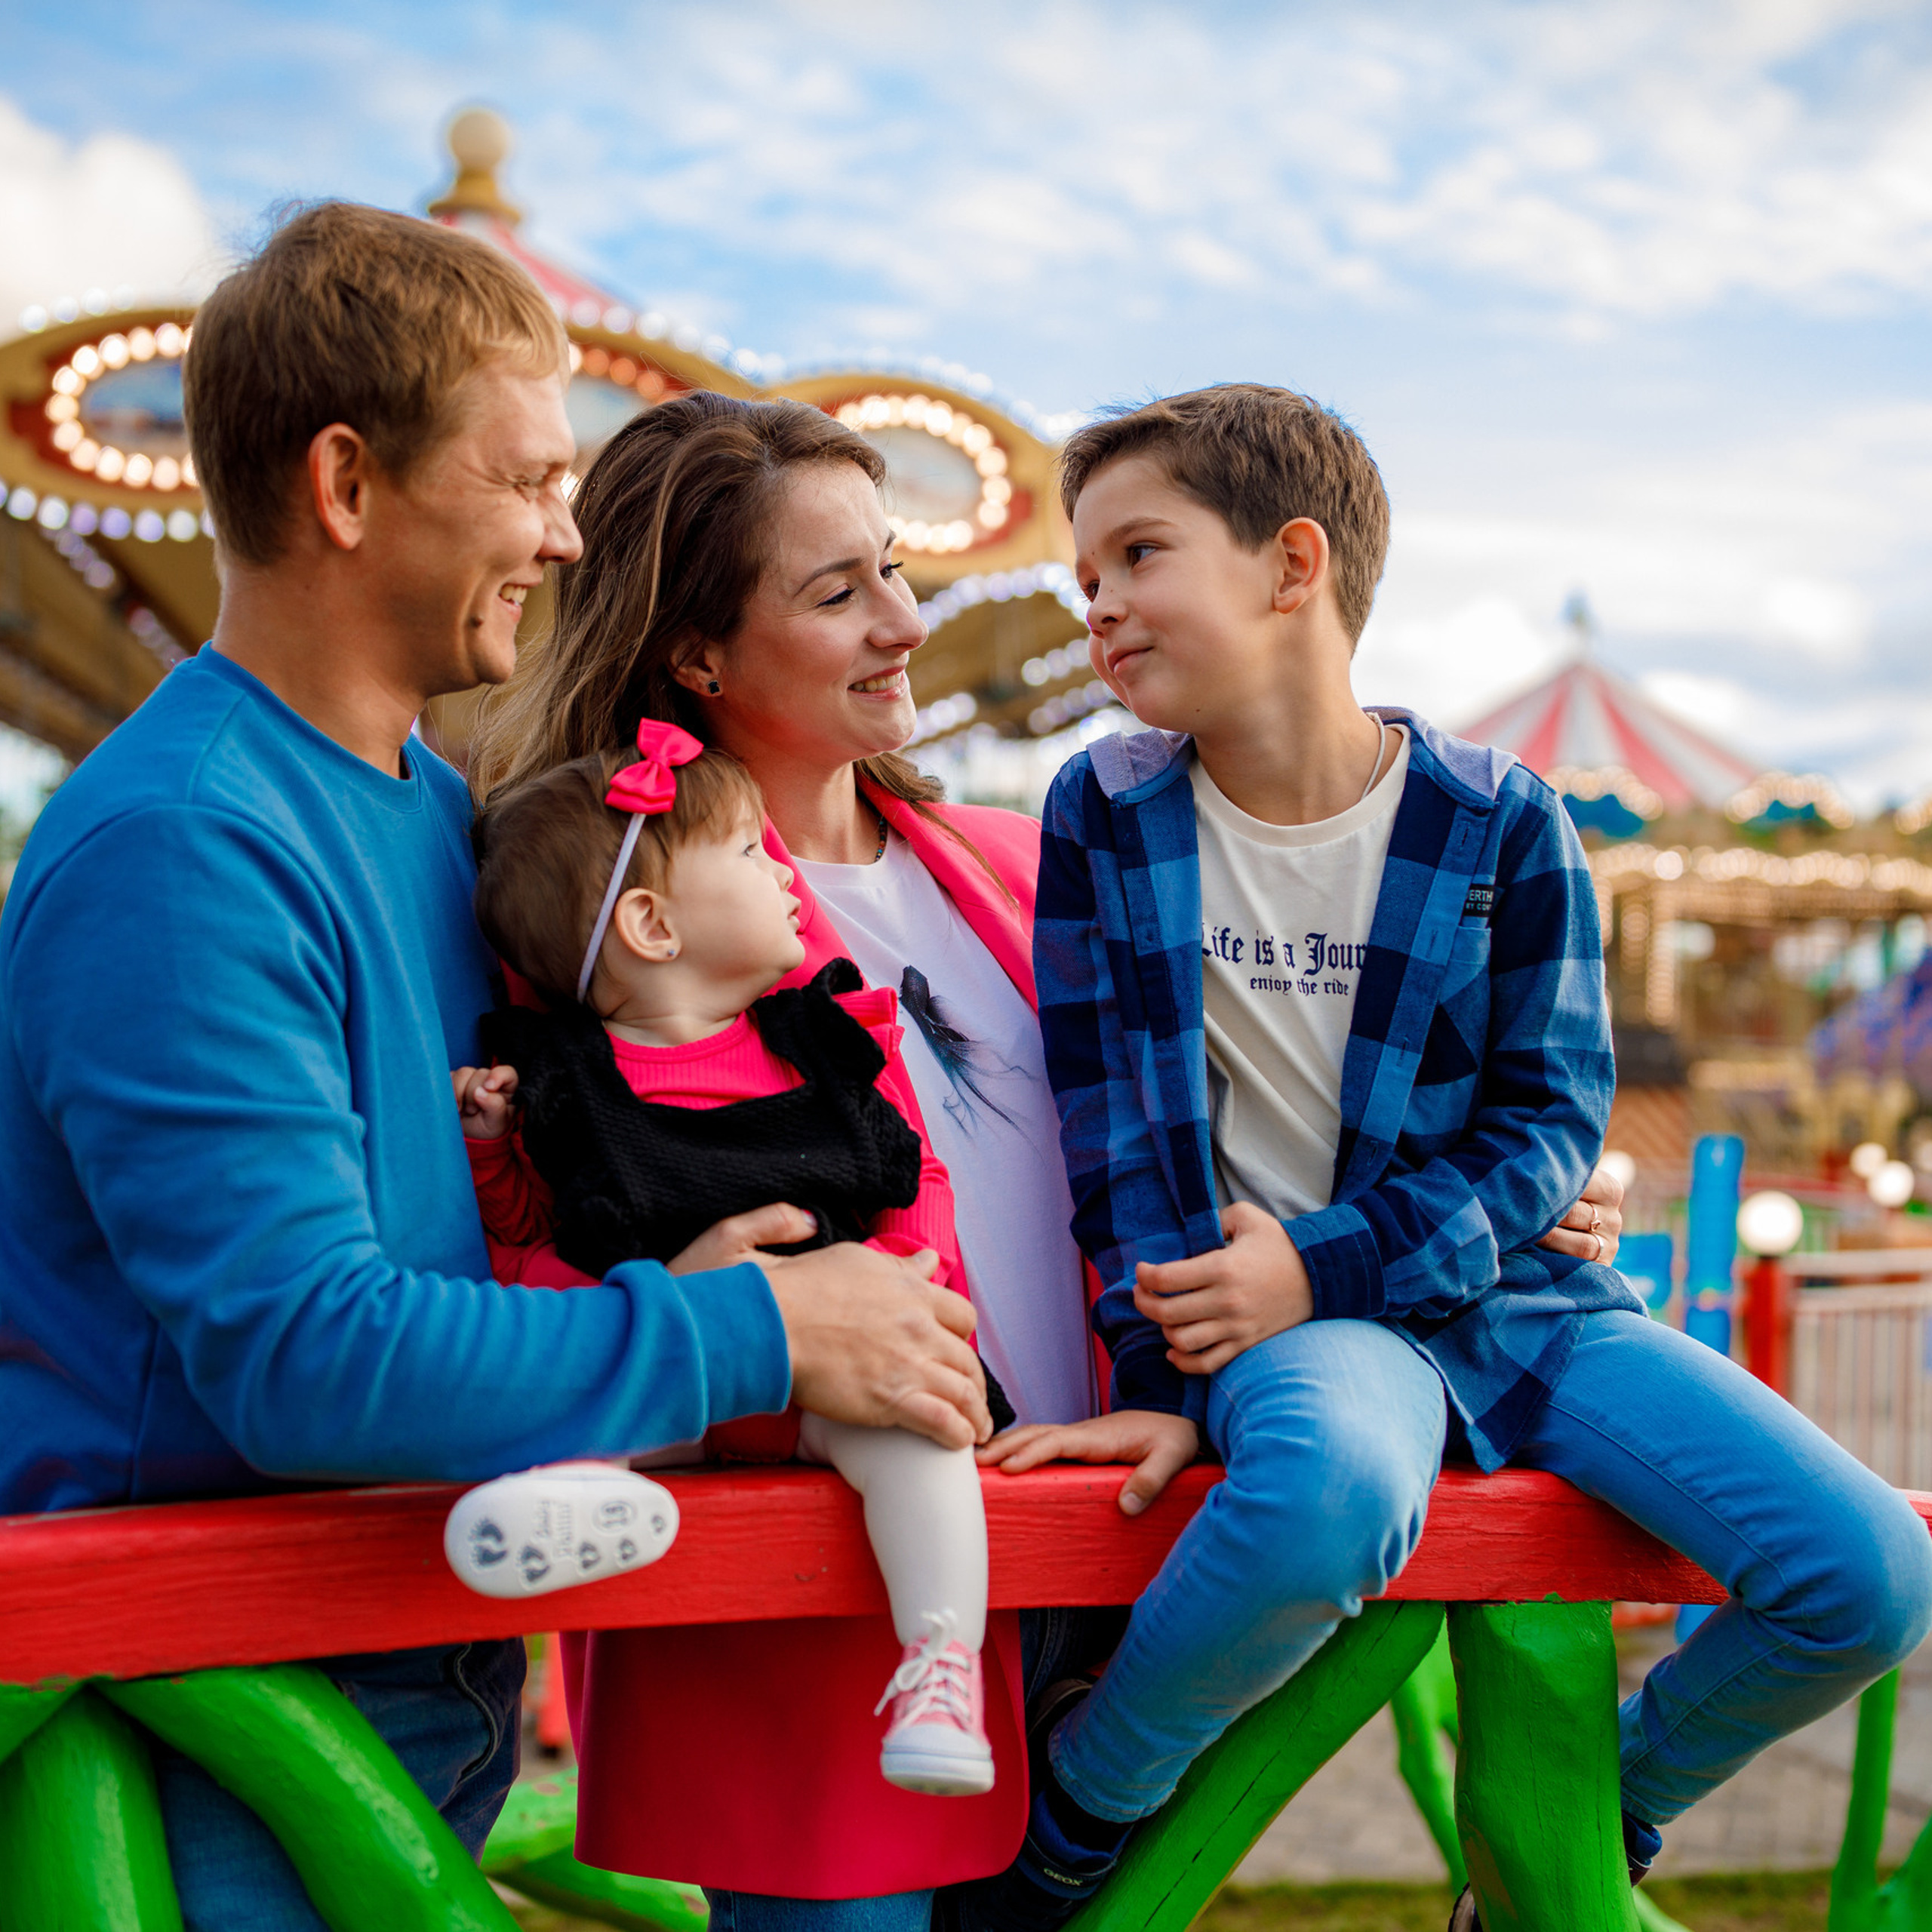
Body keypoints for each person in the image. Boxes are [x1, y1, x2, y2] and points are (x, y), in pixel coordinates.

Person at [466, 386, 1627, 1930]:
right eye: (838, 591)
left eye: (893, 568)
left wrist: (1531, 1188)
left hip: (1094, 1563)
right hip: (825, 1610)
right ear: (697, 654)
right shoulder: (606, 921)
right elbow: (525, 1234)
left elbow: (1300, 1109)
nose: (903, 620)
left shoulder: (1035, 864)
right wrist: (694, 1309)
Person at [0, 204, 987, 1932]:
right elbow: (302, 1351)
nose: (562, 533)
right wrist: (756, 1328)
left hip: (383, 1682)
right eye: (528, 479)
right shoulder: (184, 847)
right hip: (205, 1720)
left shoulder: (425, 811)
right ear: (345, 484)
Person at [963, 383, 1932, 1932]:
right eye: (1086, 576)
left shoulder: (1501, 822)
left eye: (1137, 555)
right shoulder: (1108, 810)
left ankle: (1608, 1805)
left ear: (1292, 566)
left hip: (1517, 1309)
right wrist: (1164, 1370)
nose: (1100, 606)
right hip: (1300, 1338)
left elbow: (1548, 1125)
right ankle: (1086, 1796)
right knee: (1330, 1492)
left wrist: (1323, 1258)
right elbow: (1111, 1135)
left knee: (1868, 1572)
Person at [446, 727, 995, 1795]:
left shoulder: (820, 1043)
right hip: (668, 1392)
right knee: (579, 1421)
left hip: (828, 1388)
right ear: (653, 926)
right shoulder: (561, 1083)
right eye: (750, 852)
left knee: (921, 1445)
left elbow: (908, 1172)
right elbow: (524, 1243)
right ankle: (575, 1510)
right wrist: (489, 1149)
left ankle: (939, 1667)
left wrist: (910, 1285)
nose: (784, 872)